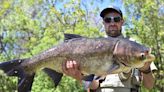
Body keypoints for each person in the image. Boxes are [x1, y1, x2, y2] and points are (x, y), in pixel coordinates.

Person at [62, 5, 157, 92]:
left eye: (116, 19)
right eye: (108, 20)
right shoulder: (91, 47)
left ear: (122, 22)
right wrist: (78, 77)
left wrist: (146, 69)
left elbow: (149, 86)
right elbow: (94, 86)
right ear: (103, 23)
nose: (112, 23)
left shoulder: (136, 48)